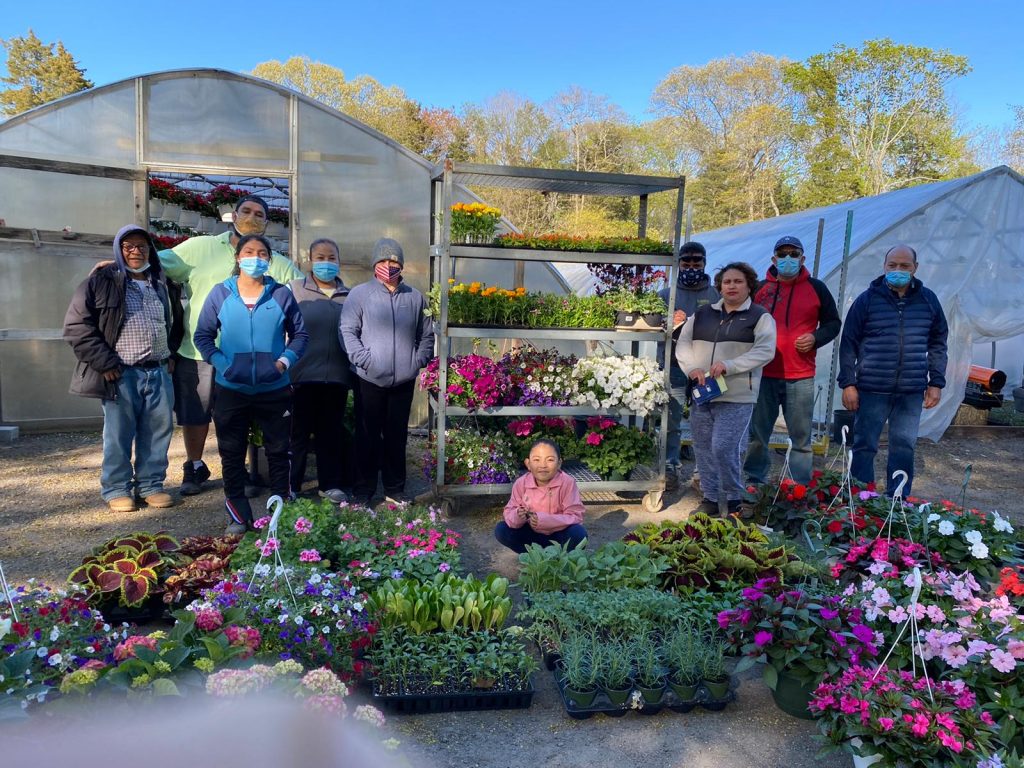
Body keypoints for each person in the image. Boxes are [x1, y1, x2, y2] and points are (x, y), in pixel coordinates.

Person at [158, 195, 302, 496]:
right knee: (196, 413)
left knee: (246, 412)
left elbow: (303, 290)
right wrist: (116, 264)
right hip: (200, 353)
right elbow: (156, 262)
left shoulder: (280, 264)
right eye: (246, 211)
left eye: (259, 214)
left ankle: (250, 470)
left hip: (257, 362)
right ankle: (195, 466)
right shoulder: (200, 248)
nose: (252, 217)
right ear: (232, 216)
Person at [193, 234, 308, 533]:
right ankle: (238, 515)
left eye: (261, 253)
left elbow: (300, 335)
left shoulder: (281, 294)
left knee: (279, 450)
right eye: (248, 252)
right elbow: (203, 336)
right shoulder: (220, 294)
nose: (255, 258)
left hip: (275, 390)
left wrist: (283, 362)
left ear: (268, 260)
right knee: (231, 453)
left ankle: (279, 511)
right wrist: (223, 365)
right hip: (232, 391)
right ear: (237, 257)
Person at [63, 225, 176, 512]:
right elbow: (77, 326)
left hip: (158, 370)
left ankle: (151, 485)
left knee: (158, 432)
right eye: (128, 246)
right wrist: (104, 362)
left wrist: (170, 353)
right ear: (118, 250)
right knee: (118, 434)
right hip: (122, 373)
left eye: (142, 246)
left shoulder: (161, 282)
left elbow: (176, 321)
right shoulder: (100, 281)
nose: (136, 251)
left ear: (150, 250)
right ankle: (116, 488)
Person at [837, 244, 948, 496]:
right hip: (871, 388)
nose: (898, 270)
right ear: (884, 267)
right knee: (865, 445)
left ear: (915, 269)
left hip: (910, 390)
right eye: (893, 265)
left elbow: (938, 343)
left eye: (905, 266)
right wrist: (848, 383)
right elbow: (848, 345)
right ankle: (861, 498)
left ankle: (898, 500)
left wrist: (936, 383)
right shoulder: (867, 300)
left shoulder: (928, 300)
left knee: (904, 446)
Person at [676, 262, 776, 516]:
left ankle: (733, 500)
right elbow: (683, 345)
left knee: (724, 446)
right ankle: (710, 499)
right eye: (727, 281)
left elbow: (765, 351)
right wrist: (692, 369)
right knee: (703, 447)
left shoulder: (759, 317)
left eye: (738, 281)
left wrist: (730, 365)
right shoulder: (701, 315)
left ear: (749, 285)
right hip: (702, 394)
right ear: (719, 285)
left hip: (738, 395)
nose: (732, 286)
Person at [339, 238, 433, 506]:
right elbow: (347, 330)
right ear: (374, 265)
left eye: (394, 262)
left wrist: (417, 361)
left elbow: (426, 335)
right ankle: (363, 490)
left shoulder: (414, 297)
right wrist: (363, 360)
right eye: (383, 261)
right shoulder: (360, 294)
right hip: (368, 378)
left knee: (396, 435)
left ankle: (395, 488)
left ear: (401, 265)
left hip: (403, 379)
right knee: (366, 434)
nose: (389, 266)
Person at [744, 235, 840, 486]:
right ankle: (755, 483)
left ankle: (801, 488)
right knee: (757, 435)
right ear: (774, 259)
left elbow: (833, 323)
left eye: (793, 254)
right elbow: (742, 322)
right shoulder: (759, 289)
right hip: (763, 374)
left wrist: (816, 337)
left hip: (800, 376)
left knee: (801, 438)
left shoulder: (817, 288)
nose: (788, 259)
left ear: (802, 258)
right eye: (782, 254)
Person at [288, 238, 352, 503]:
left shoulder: (349, 295)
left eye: (331, 258)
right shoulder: (293, 290)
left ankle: (330, 484)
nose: (326, 263)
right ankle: (290, 485)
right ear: (309, 260)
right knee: (297, 435)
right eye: (321, 258)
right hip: (300, 376)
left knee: (330, 433)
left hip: (336, 377)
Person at [657, 241, 720, 492]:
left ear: (705, 263)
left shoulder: (717, 295)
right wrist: (668, 323)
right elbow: (652, 327)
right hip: (673, 366)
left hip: (705, 370)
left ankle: (702, 472)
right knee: (670, 419)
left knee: (705, 421)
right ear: (679, 264)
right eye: (686, 263)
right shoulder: (665, 296)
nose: (692, 267)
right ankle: (670, 467)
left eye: (697, 263)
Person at [494, 439, 588, 554]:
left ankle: (558, 557)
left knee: (579, 534)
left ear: (559, 463)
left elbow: (575, 516)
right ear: (528, 464)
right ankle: (532, 556)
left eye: (550, 460)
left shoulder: (567, 483)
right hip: (531, 536)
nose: (543, 465)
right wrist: (518, 515)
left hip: (558, 534)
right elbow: (509, 512)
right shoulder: (521, 483)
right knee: (502, 530)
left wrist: (545, 520)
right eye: (536, 460)